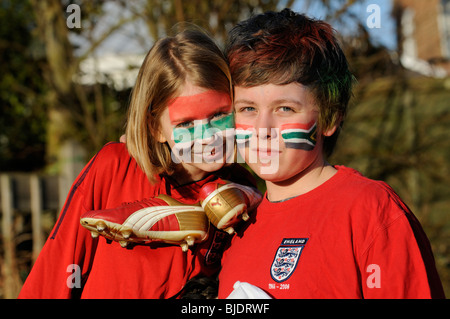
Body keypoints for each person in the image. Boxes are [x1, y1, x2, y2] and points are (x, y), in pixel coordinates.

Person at [218, 9, 445, 299]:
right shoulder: (236, 229)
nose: (263, 129)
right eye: (247, 109)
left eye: (285, 109)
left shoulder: (371, 211)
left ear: (329, 118)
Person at [18, 28, 258, 299]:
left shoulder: (243, 190)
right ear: (155, 127)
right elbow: (56, 269)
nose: (208, 137)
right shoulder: (115, 168)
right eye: (186, 123)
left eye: (218, 115)